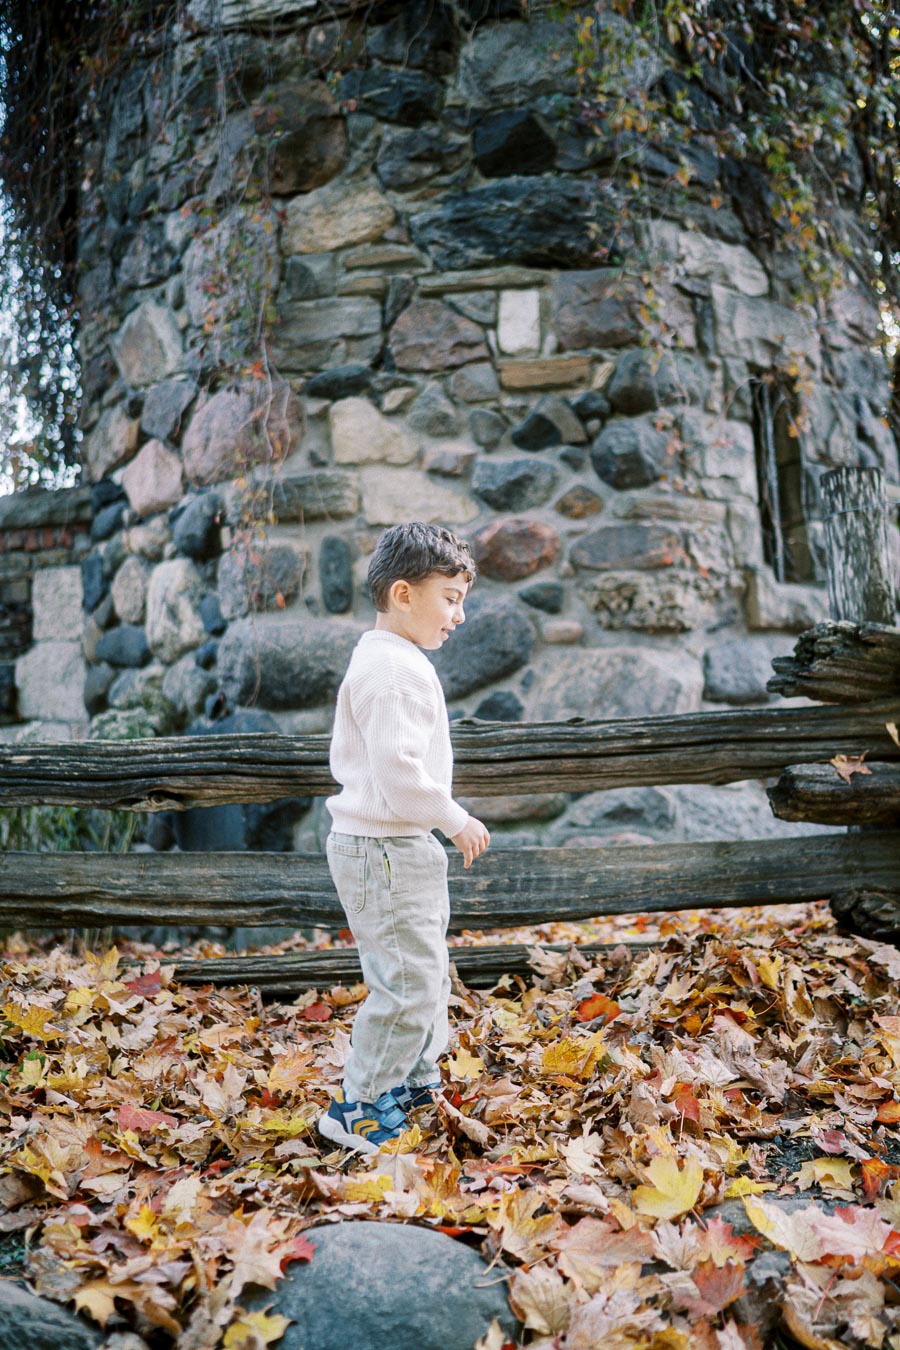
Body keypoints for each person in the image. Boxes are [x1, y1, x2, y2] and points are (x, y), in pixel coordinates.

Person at [318, 522, 491, 1154]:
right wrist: (454, 818)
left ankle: (412, 1081)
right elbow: (398, 772)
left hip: (396, 847)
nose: (459, 614)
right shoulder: (392, 670)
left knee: (424, 970)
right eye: (450, 598)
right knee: (407, 981)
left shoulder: (395, 660)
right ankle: (360, 1104)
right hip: (384, 847)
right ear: (403, 594)